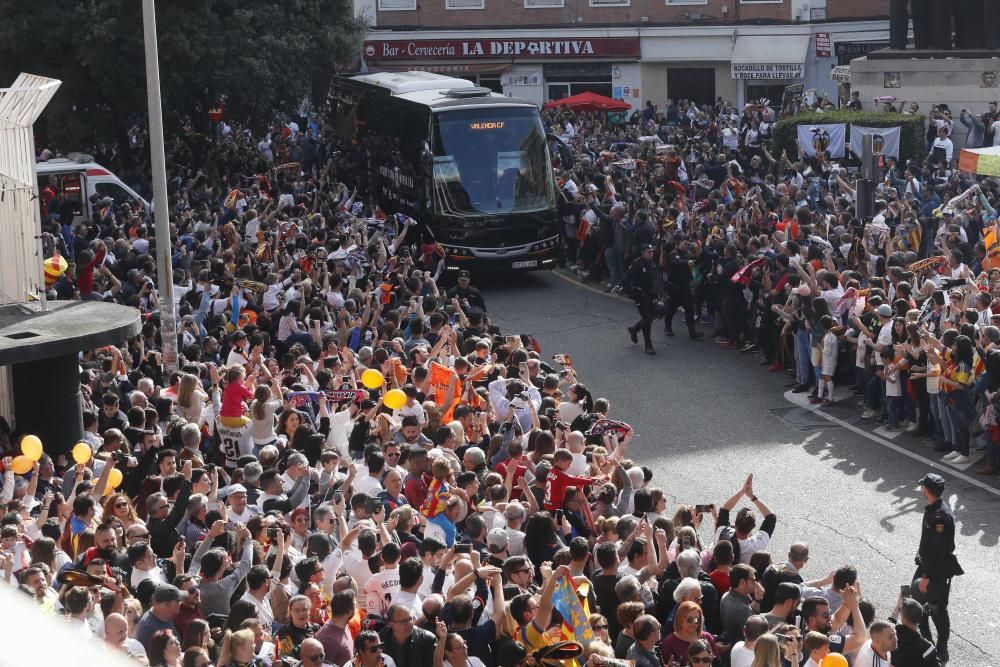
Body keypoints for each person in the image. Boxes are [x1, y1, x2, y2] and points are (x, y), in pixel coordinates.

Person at [913, 473, 962, 664]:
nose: (921, 489)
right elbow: (929, 543)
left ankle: (942, 647)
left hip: (936, 571)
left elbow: (939, 550)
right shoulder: (934, 508)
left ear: (927, 490)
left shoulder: (940, 516)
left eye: (923, 486)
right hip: (927, 566)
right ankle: (927, 641)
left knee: (938, 609)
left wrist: (926, 576)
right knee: (918, 603)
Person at [626, 244, 663, 355]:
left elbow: (657, 279)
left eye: (652, 251)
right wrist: (622, 288)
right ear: (643, 252)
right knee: (647, 318)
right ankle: (648, 345)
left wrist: (660, 291)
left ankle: (634, 329)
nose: (651, 253)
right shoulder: (637, 264)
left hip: (651, 295)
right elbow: (628, 278)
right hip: (641, 296)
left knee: (659, 312)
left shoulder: (652, 264)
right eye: (648, 251)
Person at [891, 598, 940, 666]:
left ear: (903, 618)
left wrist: (897, 607)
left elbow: (888, 625)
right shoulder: (927, 648)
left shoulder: (890, 636)